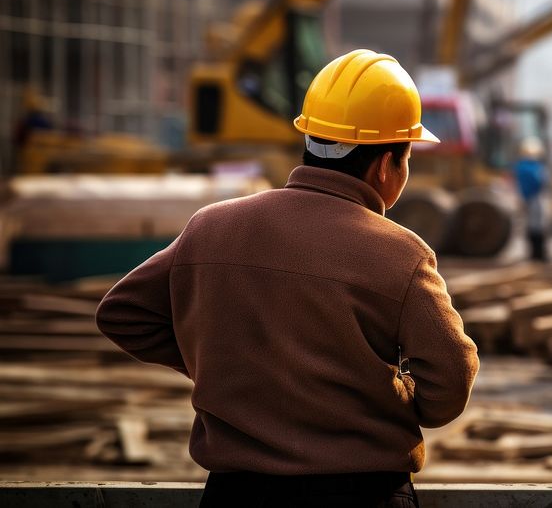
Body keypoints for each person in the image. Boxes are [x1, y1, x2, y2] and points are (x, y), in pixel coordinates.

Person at [96, 49, 479, 507]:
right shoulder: (402, 254)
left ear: (312, 141)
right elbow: (451, 380)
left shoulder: (211, 227)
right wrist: (394, 401)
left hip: (236, 496)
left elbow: (122, 313)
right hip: (363, 494)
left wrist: (221, 367)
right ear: (385, 165)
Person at [515, 136, 552, 262]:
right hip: (536, 198)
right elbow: (540, 182)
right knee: (538, 226)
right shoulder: (534, 167)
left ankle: (534, 253)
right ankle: (539, 254)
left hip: (528, 198)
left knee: (532, 226)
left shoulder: (521, 167)